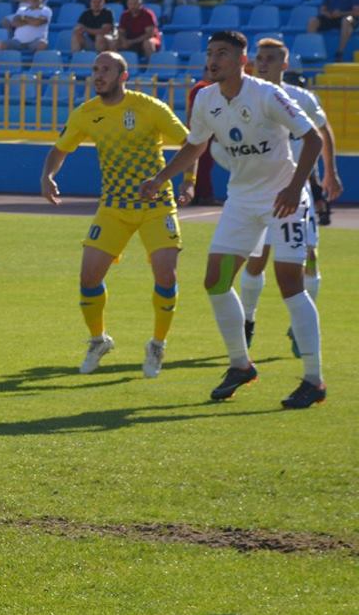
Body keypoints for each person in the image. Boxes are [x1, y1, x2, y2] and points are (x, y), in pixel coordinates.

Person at [138, 31, 326, 409]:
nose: (213, 59)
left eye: (222, 53)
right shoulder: (206, 98)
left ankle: (313, 379)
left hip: (283, 198)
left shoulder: (267, 94)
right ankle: (241, 365)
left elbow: (313, 139)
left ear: (243, 61)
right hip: (241, 199)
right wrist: (161, 178)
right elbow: (196, 145)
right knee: (216, 281)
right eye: (210, 53)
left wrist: (294, 189)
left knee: (290, 283)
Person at [38, 52, 189, 378]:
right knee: (88, 278)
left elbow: (190, 144)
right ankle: (98, 341)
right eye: (95, 69)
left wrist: (188, 182)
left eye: (106, 69)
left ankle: (157, 344)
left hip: (156, 205)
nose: (98, 74)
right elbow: (60, 149)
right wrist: (48, 175)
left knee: (166, 276)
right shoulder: (86, 113)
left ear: (123, 75)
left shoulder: (149, 107)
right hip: (114, 207)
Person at [235, 39, 341, 359]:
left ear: (284, 64)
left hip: (298, 192)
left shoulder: (302, 98)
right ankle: (248, 320)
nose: (263, 63)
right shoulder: (245, 96)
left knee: (309, 256)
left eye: (270, 58)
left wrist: (330, 172)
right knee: (257, 260)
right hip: (261, 192)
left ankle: (299, 326)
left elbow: (323, 131)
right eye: (259, 58)